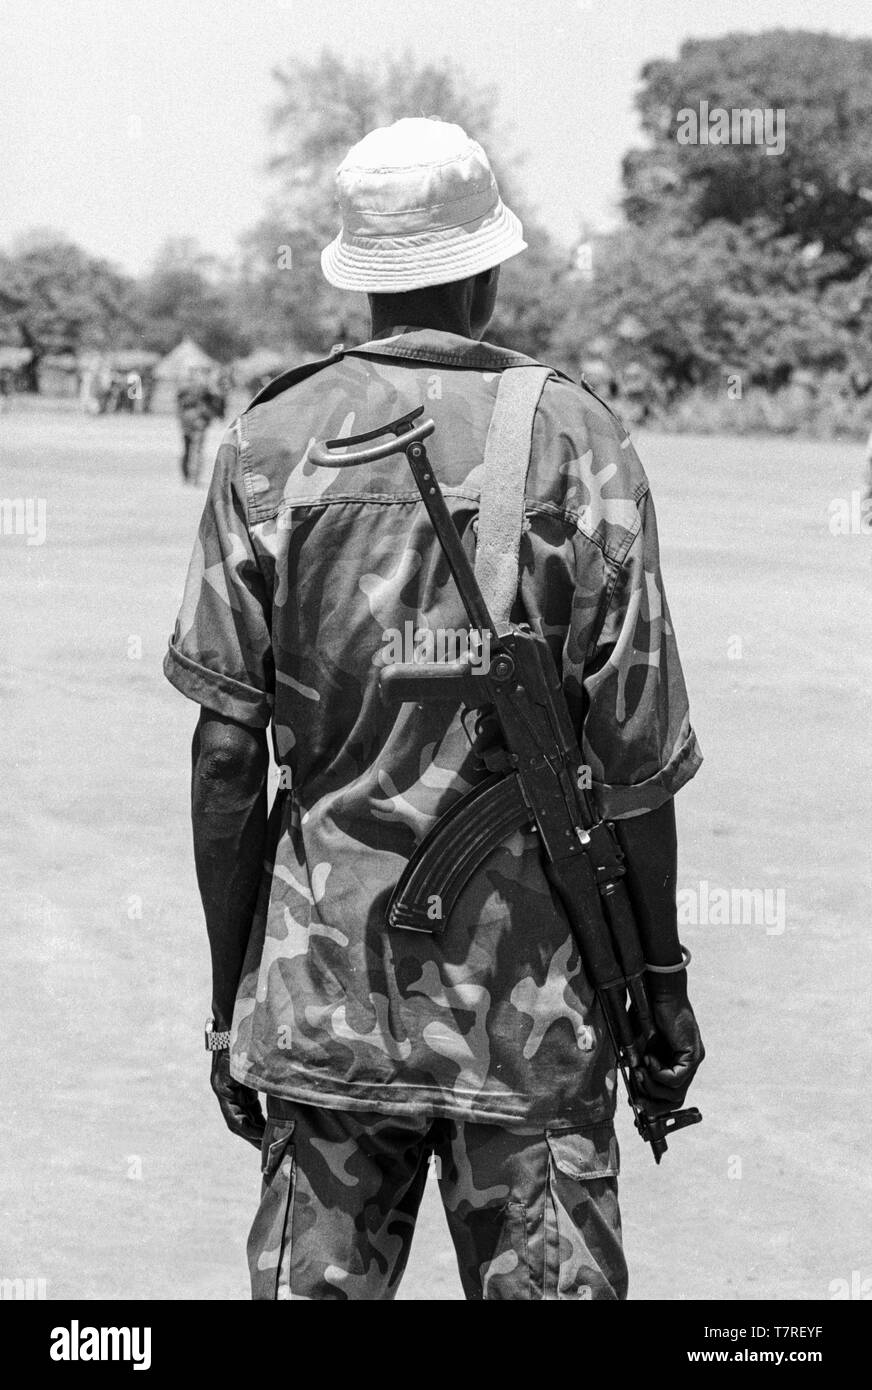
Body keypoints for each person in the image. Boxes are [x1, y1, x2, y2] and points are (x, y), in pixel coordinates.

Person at [164, 118, 705, 1301]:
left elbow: (223, 757)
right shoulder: (577, 436)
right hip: (532, 1018)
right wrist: (656, 985)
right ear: (486, 270)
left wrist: (230, 1006)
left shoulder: (270, 440)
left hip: (321, 1010)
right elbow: (638, 766)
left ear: (358, 277)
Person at [175, 371, 223, 484]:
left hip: (193, 423)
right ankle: (192, 475)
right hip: (195, 423)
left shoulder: (187, 392)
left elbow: (179, 408)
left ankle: (190, 475)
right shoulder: (202, 392)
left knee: (190, 449)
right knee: (194, 450)